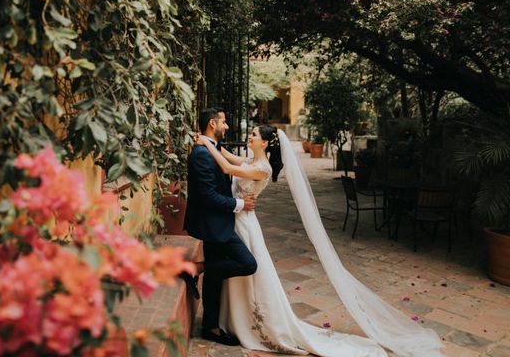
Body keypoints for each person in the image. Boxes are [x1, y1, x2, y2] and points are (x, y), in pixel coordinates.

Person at [195, 125, 444, 357]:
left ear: (266, 142)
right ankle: (234, 318)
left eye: (254, 135)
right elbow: (228, 157)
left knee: (250, 270)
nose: (249, 137)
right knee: (241, 272)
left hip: (246, 225)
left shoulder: (262, 168)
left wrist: (206, 147)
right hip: (238, 222)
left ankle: (247, 317)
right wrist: (210, 143)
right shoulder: (251, 160)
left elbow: (228, 169)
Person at [183, 107, 258, 346]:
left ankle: (211, 327)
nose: (227, 127)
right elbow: (207, 196)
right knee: (247, 263)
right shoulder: (202, 155)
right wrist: (240, 204)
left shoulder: (211, 149)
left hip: (220, 221)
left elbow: (230, 162)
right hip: (213, 223)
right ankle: (197, 267)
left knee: (216, 278)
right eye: (224, 122)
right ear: (213, 124)